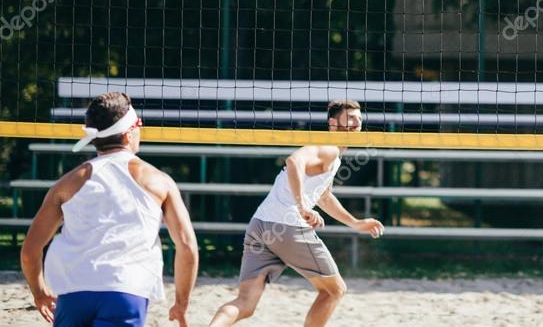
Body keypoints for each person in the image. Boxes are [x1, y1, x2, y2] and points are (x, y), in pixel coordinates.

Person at [20, 91, 198, 326]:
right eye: (139, 124)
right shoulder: (158, 181)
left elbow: (30, 251)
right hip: (126, 290)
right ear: (128, 133)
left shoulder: (67, 183)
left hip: (74, 293)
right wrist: (181, 303)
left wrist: (40, 292)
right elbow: (187, 247)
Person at [209, 99, 384, 327]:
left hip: (260, 225)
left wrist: (355, 223)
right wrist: (302, 207)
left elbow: (323, 196)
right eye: (351, 118)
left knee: (245, 303)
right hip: (287, 225)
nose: (357, 123)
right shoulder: (328, 148)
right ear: (333, 123)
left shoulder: (333, 155)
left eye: (359, 119)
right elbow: (293, 161)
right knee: (334, 291)